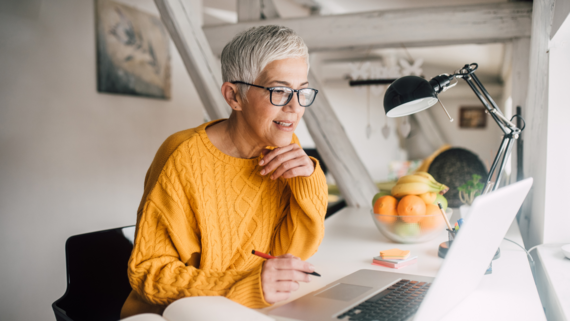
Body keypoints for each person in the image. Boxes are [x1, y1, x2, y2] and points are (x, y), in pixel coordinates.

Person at [120, 25, 328, 318]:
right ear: (234, 97)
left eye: (302, 91)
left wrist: (309, 180)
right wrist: (243, 285)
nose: (295, 107)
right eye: (279, 91)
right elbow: (150, 274)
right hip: (170, 314)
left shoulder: (281, 148)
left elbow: (291, 254)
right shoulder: (182, 156)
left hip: (242, 311)